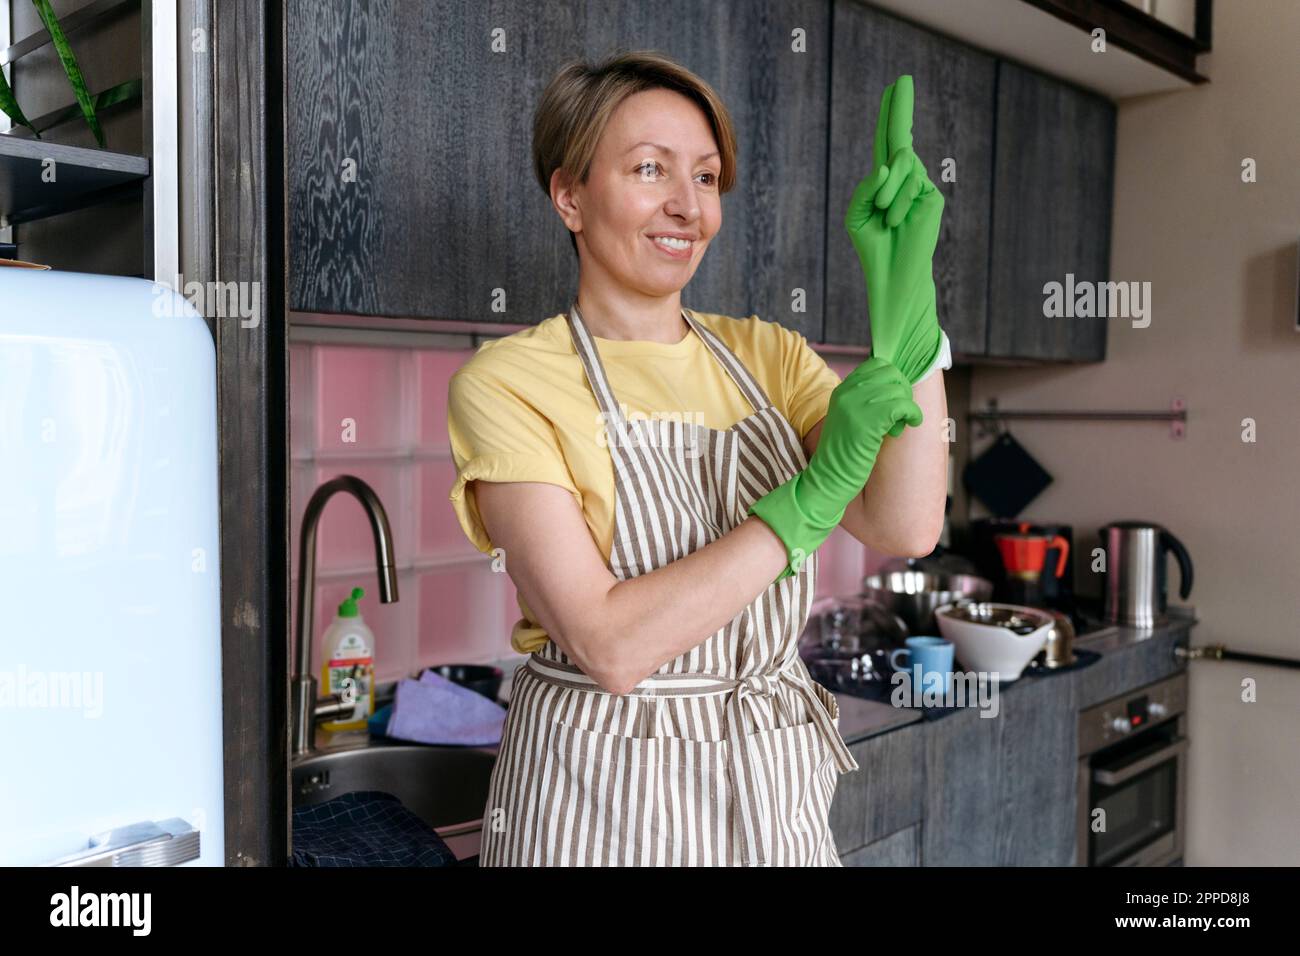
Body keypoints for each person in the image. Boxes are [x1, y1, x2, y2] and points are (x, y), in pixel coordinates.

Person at [447, 51, 950, 866]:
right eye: (651, 169)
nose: (687, 206)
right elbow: (609, 646)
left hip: (770, 785)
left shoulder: (769, 357)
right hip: (597, 799)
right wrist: (807, 499)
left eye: (708, 178)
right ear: (569, 195)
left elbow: (908, 522)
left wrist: (914, 319)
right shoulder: (509, 382)